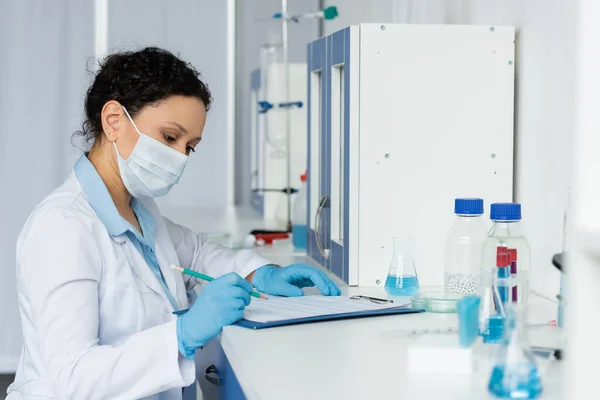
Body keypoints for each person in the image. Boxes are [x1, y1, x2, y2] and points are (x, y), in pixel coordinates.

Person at [6, 47, 340, 400]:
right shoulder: (62, 228)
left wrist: (263, 273)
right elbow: (74, 378)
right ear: (114, 121)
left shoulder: (138, 209)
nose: (179, 157)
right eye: (169, 137)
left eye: (190, 147)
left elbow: (195, 254)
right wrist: (181, 334)